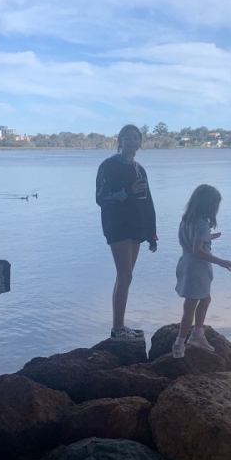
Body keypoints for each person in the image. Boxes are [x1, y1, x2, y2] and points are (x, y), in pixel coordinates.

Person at [96, 124, 158, 338]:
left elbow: (147, 202)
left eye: (135, 138)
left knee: (126, 277)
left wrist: (152, 232)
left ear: (140, 142)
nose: (132, 141)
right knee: (125, 275)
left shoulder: (139, 168)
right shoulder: (109, 165)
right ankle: (117, 329)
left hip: (136, 226)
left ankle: (120, 326)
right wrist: (127, 191)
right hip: (117, 225)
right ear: (120, 140)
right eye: (128, 138)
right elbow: (101, 198)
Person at [172, 184, 231, 358]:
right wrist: (220, 261)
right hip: (196, 268)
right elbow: (197, 250)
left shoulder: (186, 220)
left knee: (204, 299)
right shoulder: (201, 224)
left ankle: (197, 333)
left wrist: (208, 236)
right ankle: (180, 342)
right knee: (191, 306)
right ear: (209, 205)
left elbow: (191, 241)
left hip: (186, 264)